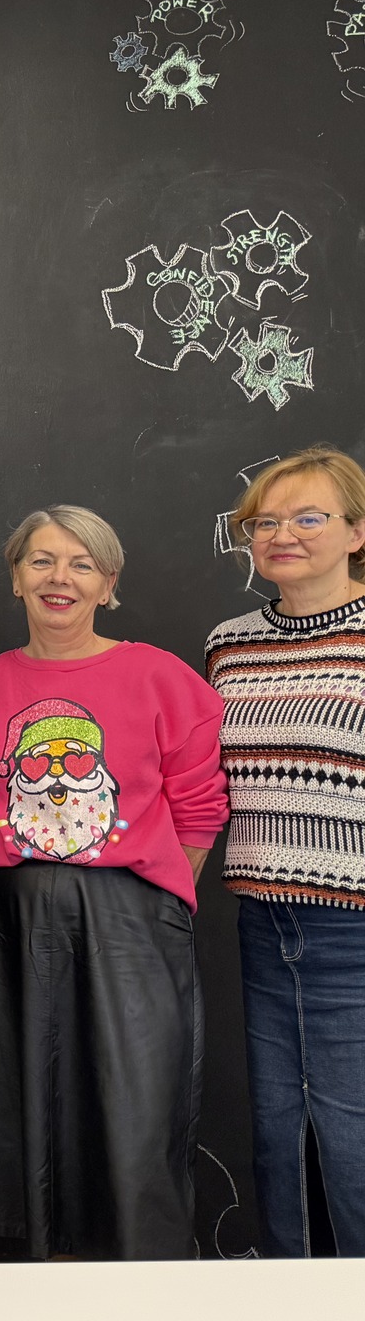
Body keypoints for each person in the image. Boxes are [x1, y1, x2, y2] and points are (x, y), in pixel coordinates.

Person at [0, 505, 226, 1259]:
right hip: (12, 923)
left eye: (82, 564)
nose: (59, 578)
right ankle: (41, 1284)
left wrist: (153, 900)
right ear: (16, 578)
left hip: (132, 924)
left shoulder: (161, 677)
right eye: (41, 561)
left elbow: (200, 811)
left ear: (108, 584)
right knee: (25, 1114)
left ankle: (140, 1294)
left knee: (134, 1112)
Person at [206, 446, 365, 1257]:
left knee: (354, 1146)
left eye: (308, 517)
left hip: (354, 929)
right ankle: (290, 1311)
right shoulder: (228, 644)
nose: (282, 535)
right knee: (278, 1138)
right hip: (264, 925)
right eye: (263, 522)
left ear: (357, 532)